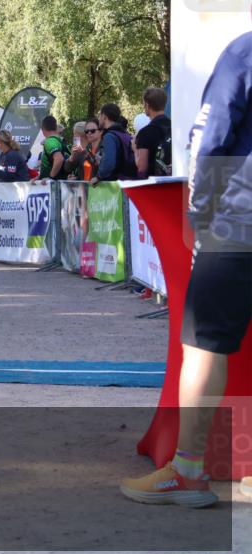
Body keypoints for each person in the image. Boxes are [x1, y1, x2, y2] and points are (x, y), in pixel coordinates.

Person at [120, 31, 252, 508]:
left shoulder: (244, 51)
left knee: (202, 347)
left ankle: (189, 472)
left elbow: (211, 138)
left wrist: (197, 216)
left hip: (240, 222)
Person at [93, 103, 137, 183]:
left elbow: (109, 163)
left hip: (113, 185)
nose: (99, 119)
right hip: (126, 181)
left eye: (100, 116)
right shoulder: (125, 134)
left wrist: (98, 177)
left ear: (104, 117)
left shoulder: (109, 136)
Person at [135, 87, 172, 178]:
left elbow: (142, 167)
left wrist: (134, 149)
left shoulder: (145, 132)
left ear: (147, 105)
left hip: (154, 186)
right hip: (174, 183)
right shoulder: (174, 127)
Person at [38, 115, 68, 180]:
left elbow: (59, 159)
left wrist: (50, 177)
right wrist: (39, 177)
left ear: (43, 128)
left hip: (52, 185)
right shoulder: (58, 139)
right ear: (55, 127)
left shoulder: (50, 141)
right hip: (59, 181)